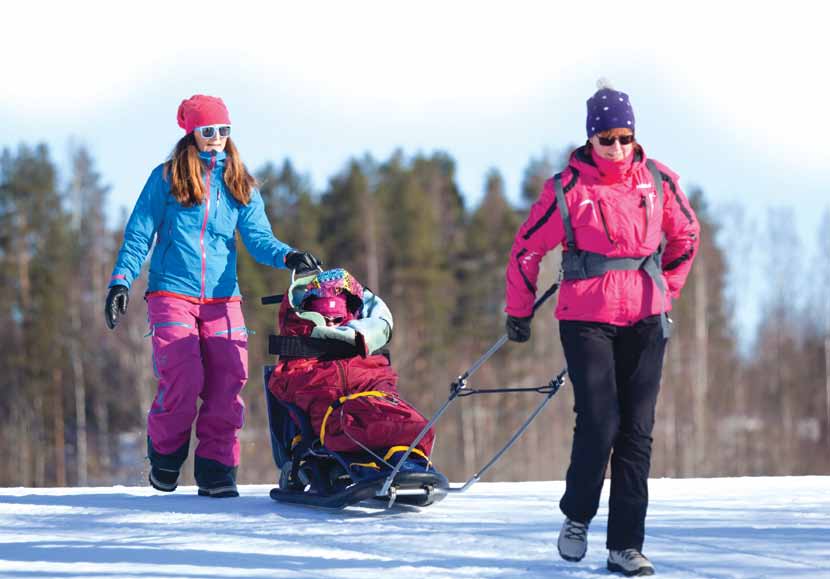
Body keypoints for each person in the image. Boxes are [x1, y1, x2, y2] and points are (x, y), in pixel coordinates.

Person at [504, 81, 699, 576]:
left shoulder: (657, 181)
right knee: (599, 421)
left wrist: (666, 290)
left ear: (634, 136)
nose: (615, 148)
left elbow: (686, 236)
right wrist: (518, 310)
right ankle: (577, 515)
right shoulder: (568, 188)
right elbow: (527, 248)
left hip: (646, 319)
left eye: (623, 137)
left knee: (637, 431)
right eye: (605, 138)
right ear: (590, 139)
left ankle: (625, 545)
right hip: (586, 318)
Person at [104, 94, 321, 498]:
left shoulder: (239, 182)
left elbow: (258, 239)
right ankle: (166, 456)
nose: (217, 138)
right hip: (172, 292)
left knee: (228, 380)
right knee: (184, 377)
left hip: (224, 299)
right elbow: (139, 234)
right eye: (208, 131)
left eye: (224, 130)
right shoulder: (166, 177)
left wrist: (288, 255)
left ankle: (217, 469)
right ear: (192, 133)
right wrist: (121, 280)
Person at [266, 267, 436, 487]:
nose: (331, 324)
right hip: (334, 412)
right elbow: (287, 385)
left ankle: (410, 464)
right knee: (358, 426)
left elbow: (381, 381)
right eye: (324, 318)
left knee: (411, 422)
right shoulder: (300, 358)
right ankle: (366, 470)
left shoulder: (361, 345)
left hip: (372, 399)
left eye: (336, 318)